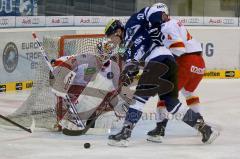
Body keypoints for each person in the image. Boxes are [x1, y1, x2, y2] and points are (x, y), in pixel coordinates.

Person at [105, 6, 219, 147]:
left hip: (157, 60)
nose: (111, 41)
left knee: (138, 100)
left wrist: (156, 24)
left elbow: (149, 11)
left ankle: (124, 134)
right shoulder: (126, 51)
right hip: (169, 62)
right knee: (171, 103)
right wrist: (126, 75)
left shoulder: (131, 24)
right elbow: (132, 68)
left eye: (111, 37)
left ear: (117, 31)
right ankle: (205, 129)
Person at [147, 3, 207, 142]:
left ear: (164, 15)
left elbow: (179, 48)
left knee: (165, 95)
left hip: (186, 62)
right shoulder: (175, 23)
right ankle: (200, 121)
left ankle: (159, 130)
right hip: (199, 63)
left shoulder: (167, 26)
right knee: (188, 92)